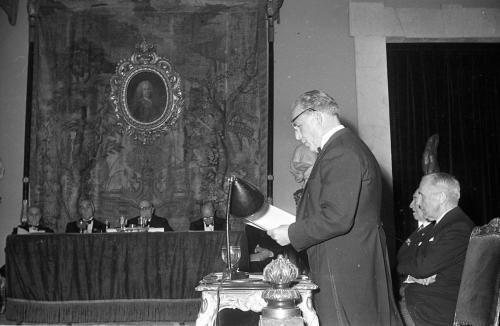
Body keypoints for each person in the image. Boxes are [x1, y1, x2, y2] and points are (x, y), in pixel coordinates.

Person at [267, 90, 402, 325]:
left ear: (316, 117)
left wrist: (290, 233)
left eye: (298, 126)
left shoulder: (340, 151)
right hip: (346, 263)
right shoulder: (343, 147)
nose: (297, 135)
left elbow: (337, 217)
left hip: (343, 268)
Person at [397, 173, 475, 326]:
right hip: (423, 298)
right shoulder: (443, 224)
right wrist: (414, 273)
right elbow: (416, 261)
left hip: (432, 308)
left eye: (422, 196)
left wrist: (404, 269)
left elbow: (422, 267)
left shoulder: (457, 227)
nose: (419, 203)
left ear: (441, 197)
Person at [396, 190, 434, 325]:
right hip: (404, 293)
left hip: (418, 300)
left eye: (415, 199)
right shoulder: (418, 232)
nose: (411, 205)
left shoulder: (438, 231)